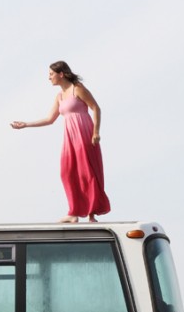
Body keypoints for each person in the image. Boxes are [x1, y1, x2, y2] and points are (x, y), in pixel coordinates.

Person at [11, 61, 111, 223]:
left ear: (61, 74)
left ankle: (92, 213)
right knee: (67, 171)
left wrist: (96, 132)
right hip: (69, 137)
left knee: (87, 172)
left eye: (51, 74)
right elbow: (50, 119)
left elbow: (96, 108)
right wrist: (26, 125)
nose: (49, 77)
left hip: (84, 132)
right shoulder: (59, 97)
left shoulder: (77, 88)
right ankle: (74, 212)